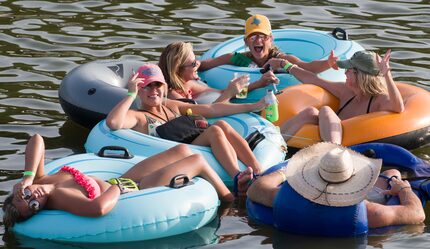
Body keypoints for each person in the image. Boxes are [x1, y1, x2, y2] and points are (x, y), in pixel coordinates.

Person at [2, 134, 253, 229]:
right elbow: (98, 208)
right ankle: (234, 202)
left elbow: (36, 139)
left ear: (19, 190)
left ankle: (235, 192)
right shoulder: (60, 197)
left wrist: (26, 178)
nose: (34, 199)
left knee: (182, 151)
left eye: (25, 197)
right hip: (132, 192)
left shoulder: (41, 178)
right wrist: (116, 188)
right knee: (196, 159)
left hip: (120, 180)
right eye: (33, 206)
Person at [106, 63, 266, 183]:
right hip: (173, 154)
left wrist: (254, 106)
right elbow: (113, 122)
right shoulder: (138, 117)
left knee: (222, 125)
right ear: (139, 90)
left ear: (165, 86)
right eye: (146, 86)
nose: (153, 90)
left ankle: (257, 169)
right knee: (215, 131)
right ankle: (237, 176)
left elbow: (211, 109)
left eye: (157, 85)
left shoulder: (171, 106)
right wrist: (130, 94)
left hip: (190, 143)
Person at [247, 143, 425, 229]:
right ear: (354, 179)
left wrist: (286, 171)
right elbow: (417, 214)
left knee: (390, 173)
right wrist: (404, 188)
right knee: (390, 174)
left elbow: (255, 189)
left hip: (293, 220)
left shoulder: (284, 199)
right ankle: (395, 178)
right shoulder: (367, 213)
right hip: (357, 225)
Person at [267, 49, 404, 144]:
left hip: (351, 147)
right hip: (331, 134)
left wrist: (387, 75)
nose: (345, 73)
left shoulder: (378, 99)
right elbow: (313, 79)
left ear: (361, 76)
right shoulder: (345, 91)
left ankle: (333, 154)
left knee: (326, 110)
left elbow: (399, 108)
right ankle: (271, 143)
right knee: (310, 112)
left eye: (348, 70)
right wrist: (286, 65)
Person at [198, 14, 338, 88]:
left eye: (262, 37)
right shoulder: (237, 58)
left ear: (270, 39)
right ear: (246, 41)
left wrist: (328, 63)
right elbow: (206, 64)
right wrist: (188, 63)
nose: (258, 41)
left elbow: (308, 67)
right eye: (252, 37)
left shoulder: (282, 58)